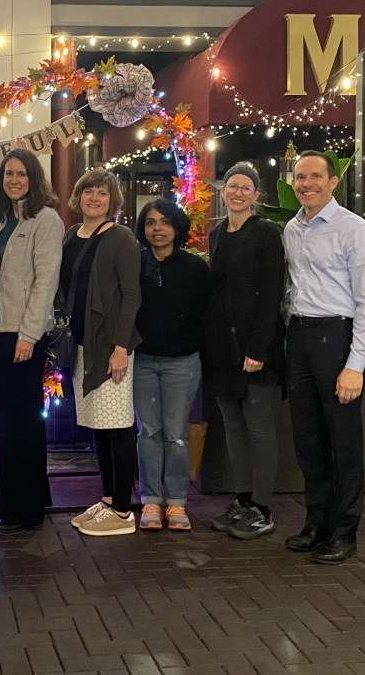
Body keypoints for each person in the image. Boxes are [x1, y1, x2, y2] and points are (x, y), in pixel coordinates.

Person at [283, 150, 365, 565]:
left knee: (343, 441)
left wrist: (354, 365)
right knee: (308, 440)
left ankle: (345, 530)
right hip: (300, 337)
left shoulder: (354, 230)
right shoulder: (291, 228)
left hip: (335, 337)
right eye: (300, 177)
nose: (307, 183)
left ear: (333, 182)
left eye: (315, 176)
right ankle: (317, 522)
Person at [205, 163, 287, 540]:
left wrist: (259, 348)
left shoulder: (268, 235)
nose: (238, 192)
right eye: (232, 186)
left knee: (259, 429)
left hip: (256, 349)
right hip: (223, 348)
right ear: (223, 190)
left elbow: (272, 296)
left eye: (246, 187)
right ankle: (241, 500)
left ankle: (263, 508)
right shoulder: (217, 233)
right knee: (233, 428)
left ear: (256, 194)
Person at [63, 169, 142, 537]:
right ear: (77, 197)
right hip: (81, 346)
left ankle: (124, 512)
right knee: (98, 425)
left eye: (102, 194)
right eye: (88, 191)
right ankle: (109, 499)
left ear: (113, 202)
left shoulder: (121, 238)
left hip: (110, 347)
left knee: (118, 427)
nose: (94, 198)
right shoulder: (70, 236)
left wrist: (120, 347)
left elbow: (131, 296)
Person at [0, 148, 64, 534]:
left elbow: (45, 283)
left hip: (22, 339)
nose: (14, 180)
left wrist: (29, 335)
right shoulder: (8, 220)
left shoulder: (45, 219)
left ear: (34, 179)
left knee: (18, 425)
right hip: (1, 335)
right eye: (8, 174)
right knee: (7, 424)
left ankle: (24, 510)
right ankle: (19, 500)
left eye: (21, 174)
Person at [132, 199, 211, 533]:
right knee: (148, 432)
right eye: (150, 223)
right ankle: (151, 498)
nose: (157, 229)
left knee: (176, 434)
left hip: (183, 362)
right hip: (143, 362)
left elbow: (207, 317)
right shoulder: (135, 264)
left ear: (177, 228)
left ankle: (177, 502)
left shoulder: (196, 270)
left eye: (164, 222)